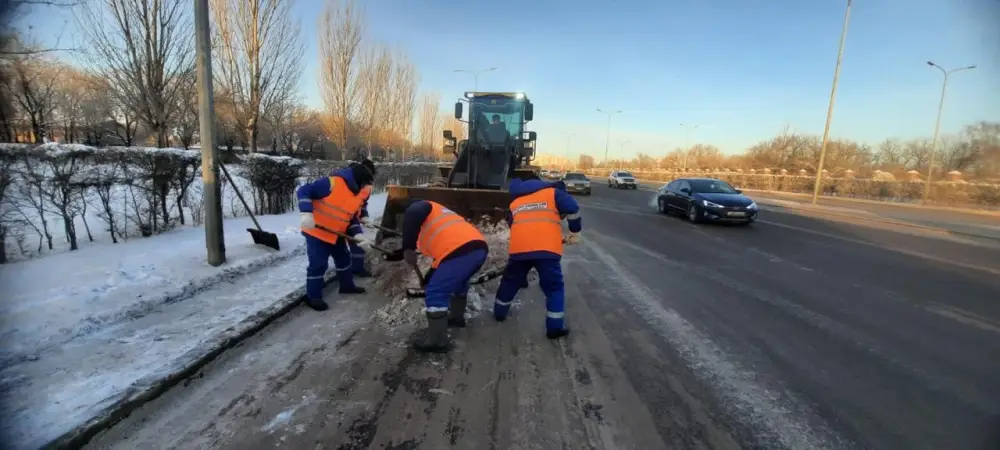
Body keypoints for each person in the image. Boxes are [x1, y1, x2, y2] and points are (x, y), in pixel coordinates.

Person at [388, 199, 489, 353]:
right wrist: (430, 275)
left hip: (460, 252)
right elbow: (442, 258)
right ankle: (456, 318)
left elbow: (414, 212)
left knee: (435, 292)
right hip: (476, 249)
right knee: (458, 282)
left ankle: (437, 341)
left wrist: (408, 247)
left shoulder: (419, 207)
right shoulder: (439, 217)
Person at [492, 174, 581, 339]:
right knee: (553, 288)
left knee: (510, 281)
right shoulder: (553, 193)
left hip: (519, 249)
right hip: (547, 251)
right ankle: (554, 328)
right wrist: (574, 231)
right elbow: (573, 208)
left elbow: (515, 224)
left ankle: (499, 312)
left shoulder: (515, 203)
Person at [296, 160, 376, 311]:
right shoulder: (332, 183)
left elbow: (350, 216)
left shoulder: (355, 193)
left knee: (344, 259)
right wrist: (306, 212)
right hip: (316, 232)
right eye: (364, 183)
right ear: (358, 180)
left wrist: (358, 234)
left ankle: (347, 286)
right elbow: (303, 191)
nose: (365, 188)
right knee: (318, 265)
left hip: (336, 233)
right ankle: (313, 297)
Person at [345, 160, 377, 278]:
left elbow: (362, 203)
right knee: (340, 247)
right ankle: (346, 272)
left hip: (353, 216)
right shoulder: (347, 181)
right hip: (342, 216)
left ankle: (357, 269)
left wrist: (364, 216)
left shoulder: (366, 185)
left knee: (357, 244)